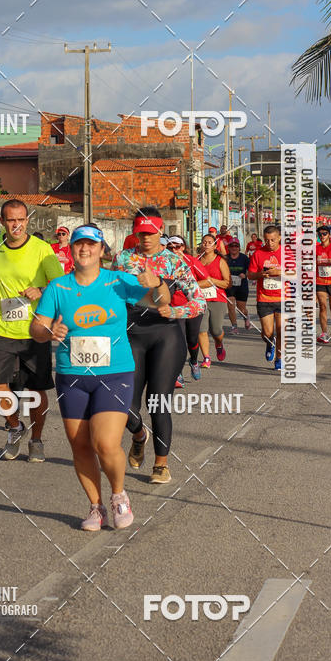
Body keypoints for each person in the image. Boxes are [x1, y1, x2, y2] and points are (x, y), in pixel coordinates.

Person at [32, 224, 170, 530]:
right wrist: (48, 331)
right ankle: (95, 508)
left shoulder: (118, 281)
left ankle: (119, 495)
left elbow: (160, 301)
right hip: (72, 375)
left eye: (91, 245)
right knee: (80, 446)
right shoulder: (57, 287)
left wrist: (157, 283)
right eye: (79, 245)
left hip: (115, 371)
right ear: (71, 249)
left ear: (101, 251)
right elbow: (36, 330)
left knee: (105, 443)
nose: (85, 250)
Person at [112, 207, 206, 484]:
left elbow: (198, 302)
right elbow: (110, 292)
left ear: (160, 231)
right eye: (141, 232)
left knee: (158, 402)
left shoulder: (174, 262)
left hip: (165, 332)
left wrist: (176, 312)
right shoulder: (124, 259)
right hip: (131, 331)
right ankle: (139, 435)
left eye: (151, 232)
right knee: (125, 405)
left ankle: (161, 465)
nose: (146, 238)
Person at [0, 199, 64, 462]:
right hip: (0, 327)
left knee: (36, 390)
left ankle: (36, 439)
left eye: (21, 220)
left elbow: (60, 284)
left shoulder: (42, 249)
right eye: (11, 220)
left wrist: (40, 290)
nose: (17, 225)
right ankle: (15, 427)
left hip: (34, 329)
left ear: (28, 221)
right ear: (3, 222)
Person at [247, 224, 286, 370]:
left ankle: (279, 358)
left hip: (284, 298)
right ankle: (269, 343)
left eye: (273, 240)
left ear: (280, 238)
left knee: (282, 331)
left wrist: (280, 273)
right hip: (264, 298)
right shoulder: (258, 253)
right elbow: (250, 275)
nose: (269, 243)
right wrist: (260, 274)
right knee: (267, 332)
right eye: (267, 240)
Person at [166, 236, 203, 383]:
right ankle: (178, 373)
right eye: (170, 247)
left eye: (178, 246)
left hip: (192, 306)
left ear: (183, 247)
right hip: (175, 308)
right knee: (179, 341)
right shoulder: (164, 263)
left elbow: (207, 279)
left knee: (192, 339)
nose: (174, 250)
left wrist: (189, 284)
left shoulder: (192, 261)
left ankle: (194, 361)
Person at [193, 234, 231, 366]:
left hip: (217, 299)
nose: (206, 244)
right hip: (200, 299)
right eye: (204, 242)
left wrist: (212, 281)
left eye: (210, 242)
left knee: (216, 330)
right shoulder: (195, 261)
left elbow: (227, 283)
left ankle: (219, 343)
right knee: (201, 329)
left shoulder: (220, 261)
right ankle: (206, 358)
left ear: (215, 246)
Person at [226, 239, 251, 332]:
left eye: (236, 246)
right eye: (232, 246)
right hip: (230, 285)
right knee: (231, 305)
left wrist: (245, 275)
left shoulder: (244, 258)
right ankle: (234, 326)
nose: (234, 248)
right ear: (228, 248)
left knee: (241, 308)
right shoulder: (225, 258)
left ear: (239, 248)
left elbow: (250, 271)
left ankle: (246, 317)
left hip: (242, 285)